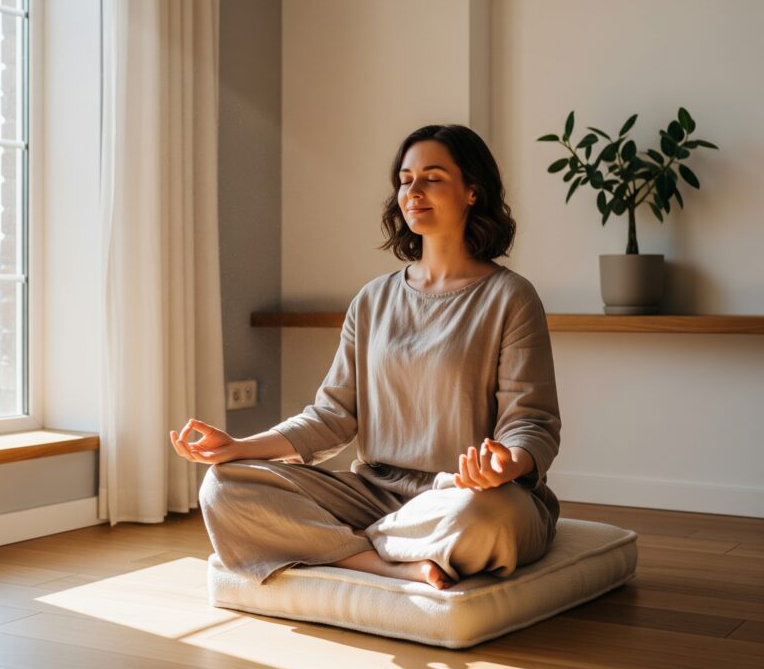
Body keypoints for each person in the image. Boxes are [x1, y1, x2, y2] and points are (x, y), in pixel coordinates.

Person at [170, 123, 561, 591]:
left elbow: (531, 420)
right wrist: (238, 447)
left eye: (432, 177)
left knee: (488, 520)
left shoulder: (510, 297)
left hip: (464, 497)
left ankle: (339, 546)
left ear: (472, 191)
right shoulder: (372, 300)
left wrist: (507, 463)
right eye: (404, 178)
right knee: (224, 486)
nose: (412, 191)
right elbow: (333, 416)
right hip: (374, 495)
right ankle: (380, 561)